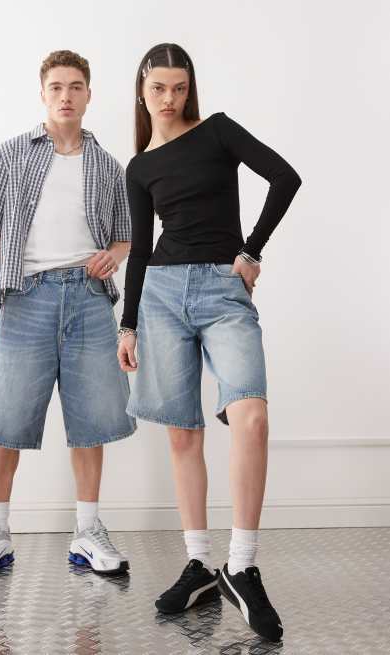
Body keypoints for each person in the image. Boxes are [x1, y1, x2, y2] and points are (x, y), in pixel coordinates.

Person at [117, 43, 301, 643]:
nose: (169, 99)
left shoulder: (218, 131)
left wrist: (251, 250)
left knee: (251, 417)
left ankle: (240, 567)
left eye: (179, 88)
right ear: (142, 91)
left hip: (224, 290)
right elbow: (139, 250)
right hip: (162, 295)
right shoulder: (139, 167)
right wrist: (128, 323)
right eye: (158, 89)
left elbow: (285, 178)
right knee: (182, 432)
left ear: (190, 88)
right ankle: (198, 564)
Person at [0, 50, 136, 580]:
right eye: (56, 87)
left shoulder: (108, 166)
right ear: (43, 94)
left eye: (75, 87)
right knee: (5, 418)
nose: (66, 96)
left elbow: (125, 236)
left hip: (88, 298)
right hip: (26, 298)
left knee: (92, 420)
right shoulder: (9, 155)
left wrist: (114, 256)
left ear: (88, 95)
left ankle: (88, 530)